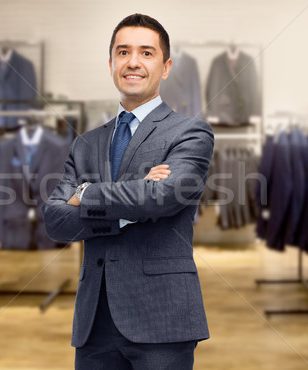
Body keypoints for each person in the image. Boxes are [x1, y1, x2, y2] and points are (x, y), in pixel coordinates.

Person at [43, 13, 213, 369]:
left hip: (162, 319)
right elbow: (56, 220)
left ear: (165, 67)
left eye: (146, 53)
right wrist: (130, 205)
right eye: (123, 52)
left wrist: (86, 193)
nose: (133, 62)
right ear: (111, 64)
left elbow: (163, 198)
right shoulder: (86, 143)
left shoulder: (190, 133)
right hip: (94, 323)